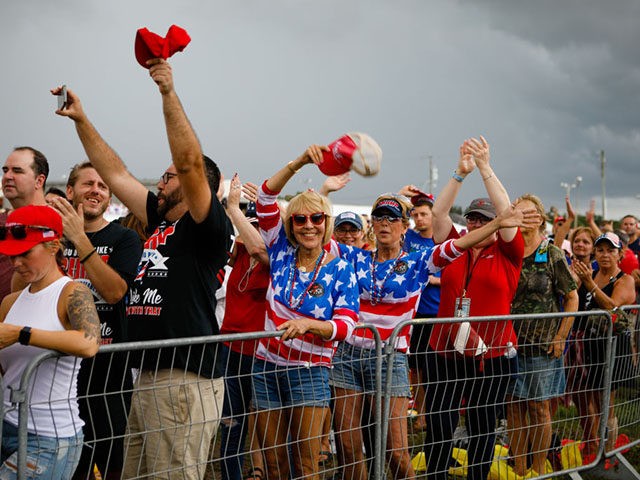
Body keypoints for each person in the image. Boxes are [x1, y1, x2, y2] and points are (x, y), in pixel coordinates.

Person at [53, 58, 232, 480]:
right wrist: (81, 120)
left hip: (184, 377)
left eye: (168, 178)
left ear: (193, 187)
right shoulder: (159, 221)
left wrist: (167, 92)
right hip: (149, 374)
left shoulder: (204, 228)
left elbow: (189, 162)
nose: (160, 184)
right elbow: (114, 173)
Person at [254, 145, 359, 480]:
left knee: (306, 464)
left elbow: (346, 326)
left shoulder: (343, 269)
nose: (308, 225)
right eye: (300, 219)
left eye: (317, 218)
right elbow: (266, 197)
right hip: (265, 367)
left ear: (326, 223)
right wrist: (299, 162)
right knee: (273, 464)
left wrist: (309, 325)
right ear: (291, 224)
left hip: (310, 372)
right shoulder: (280, 249)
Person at [424, 136, 526, 480]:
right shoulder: (454, 248)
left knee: (481, 427)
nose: (476, 224)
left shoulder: (509, 254)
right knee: (439, 422)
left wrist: (484, 167)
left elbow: (508, 214)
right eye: (472, 219)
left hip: (491, 354)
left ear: (496, 226)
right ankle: (435, 474)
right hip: (446, 352)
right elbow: (438, 214)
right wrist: (459, 173)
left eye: (484, 220)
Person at [49, 162, 142, 480]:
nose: (96, 190)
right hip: (55, 368)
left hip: (106, 375)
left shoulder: (124, 239)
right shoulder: (51, 238)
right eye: (88, 183)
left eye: (103, 186)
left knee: (114, 460)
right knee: (70, 465)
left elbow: (115, 291)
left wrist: (79, 239)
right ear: (71, 191)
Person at [0, 205, 100, 479]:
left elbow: (90, 342)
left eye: (25, 253)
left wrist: (21, 333)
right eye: (11, 255)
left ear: (54, 245)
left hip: (50, 437)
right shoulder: (11, 302)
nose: (16, 263)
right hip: (9, 424)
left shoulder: (72, 292)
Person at [505, 193, 578, 477]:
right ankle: (520, 469)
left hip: (542, 347)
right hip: (510, 346)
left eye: (529, 212)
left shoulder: (552, 254)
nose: (523, 217)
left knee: (539, 410)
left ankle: (538, 469)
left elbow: (571, 297)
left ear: (540, 219)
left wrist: (561, 336)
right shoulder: (509, 251)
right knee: (513, 410)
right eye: (518, 212)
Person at [219, 175, 269, 480]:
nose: (251, 235)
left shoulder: (271, 262)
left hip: (259, 352)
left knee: (263, 425)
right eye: (249, 227)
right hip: (229, 349)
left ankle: (262, 470)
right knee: (230, 424)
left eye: (259, 228)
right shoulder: (236, 259)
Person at [570, 232, 636, 462]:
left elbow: (613, 308)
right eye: (600, 250)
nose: (605, 255)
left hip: (612, 347)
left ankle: (607, 452)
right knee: (585, 394)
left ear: (620, 253)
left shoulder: (624, 279)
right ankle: (593, 443)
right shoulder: (592, 273)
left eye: (611, 250)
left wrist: (589, 284)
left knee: (605, 400)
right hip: (587, 344)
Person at [397, 187, 441, 432]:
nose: (419, 218)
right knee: (413, 368)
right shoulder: (410, 238)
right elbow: (393, 222)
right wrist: (402, 197)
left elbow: (451, 278)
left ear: (434, 215)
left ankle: (426, 416)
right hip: (411, 314)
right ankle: (417, 412)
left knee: (430, 370)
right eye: (416, 214)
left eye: (424, 214)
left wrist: (427, 278)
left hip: (433, 314)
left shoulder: (440, 240)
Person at [0, 147, 50, 301]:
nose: (8, 176)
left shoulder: (61, 223)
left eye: (17, 171)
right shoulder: (2, 221)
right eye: (5, 170)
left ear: (39, 180)